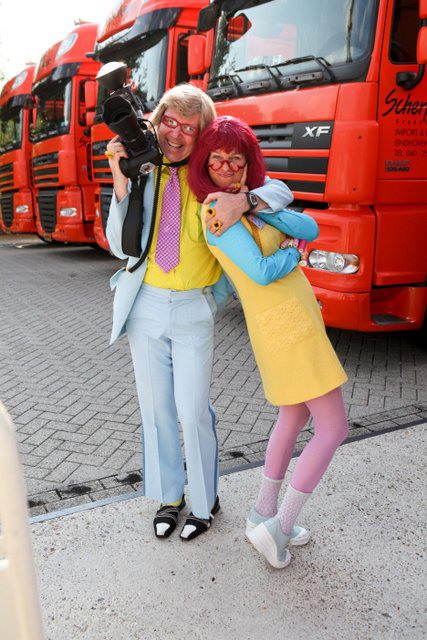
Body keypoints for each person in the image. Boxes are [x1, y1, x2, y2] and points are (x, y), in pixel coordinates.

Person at [104, 84, 295, 541]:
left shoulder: (212, 174)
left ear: (202, 133)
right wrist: (120, 179)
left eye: (188, 127)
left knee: (192, 410)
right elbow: (118, 246)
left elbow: (282, 191)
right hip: (145, 304)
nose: (175, 133)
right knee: (156, 409)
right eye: (168, 121)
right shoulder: (144, 169)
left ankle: (205, 502)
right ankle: (169, 497)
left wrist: (244, 200)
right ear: (156, 121)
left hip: (194, 306)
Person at [188, 116, 349, 568]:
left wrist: (251, 203)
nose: (226, 167)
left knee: (294, 415)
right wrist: (292, 253)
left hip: (291, 322)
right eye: (216, 159)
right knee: (334, 429)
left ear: (247, 162)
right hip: (286, 326)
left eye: (235, 159)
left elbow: (310, 226)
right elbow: (260, 272)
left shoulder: (248, 200)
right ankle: (279, 527)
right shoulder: (213, 212)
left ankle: (262, 513)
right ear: (204, 163)